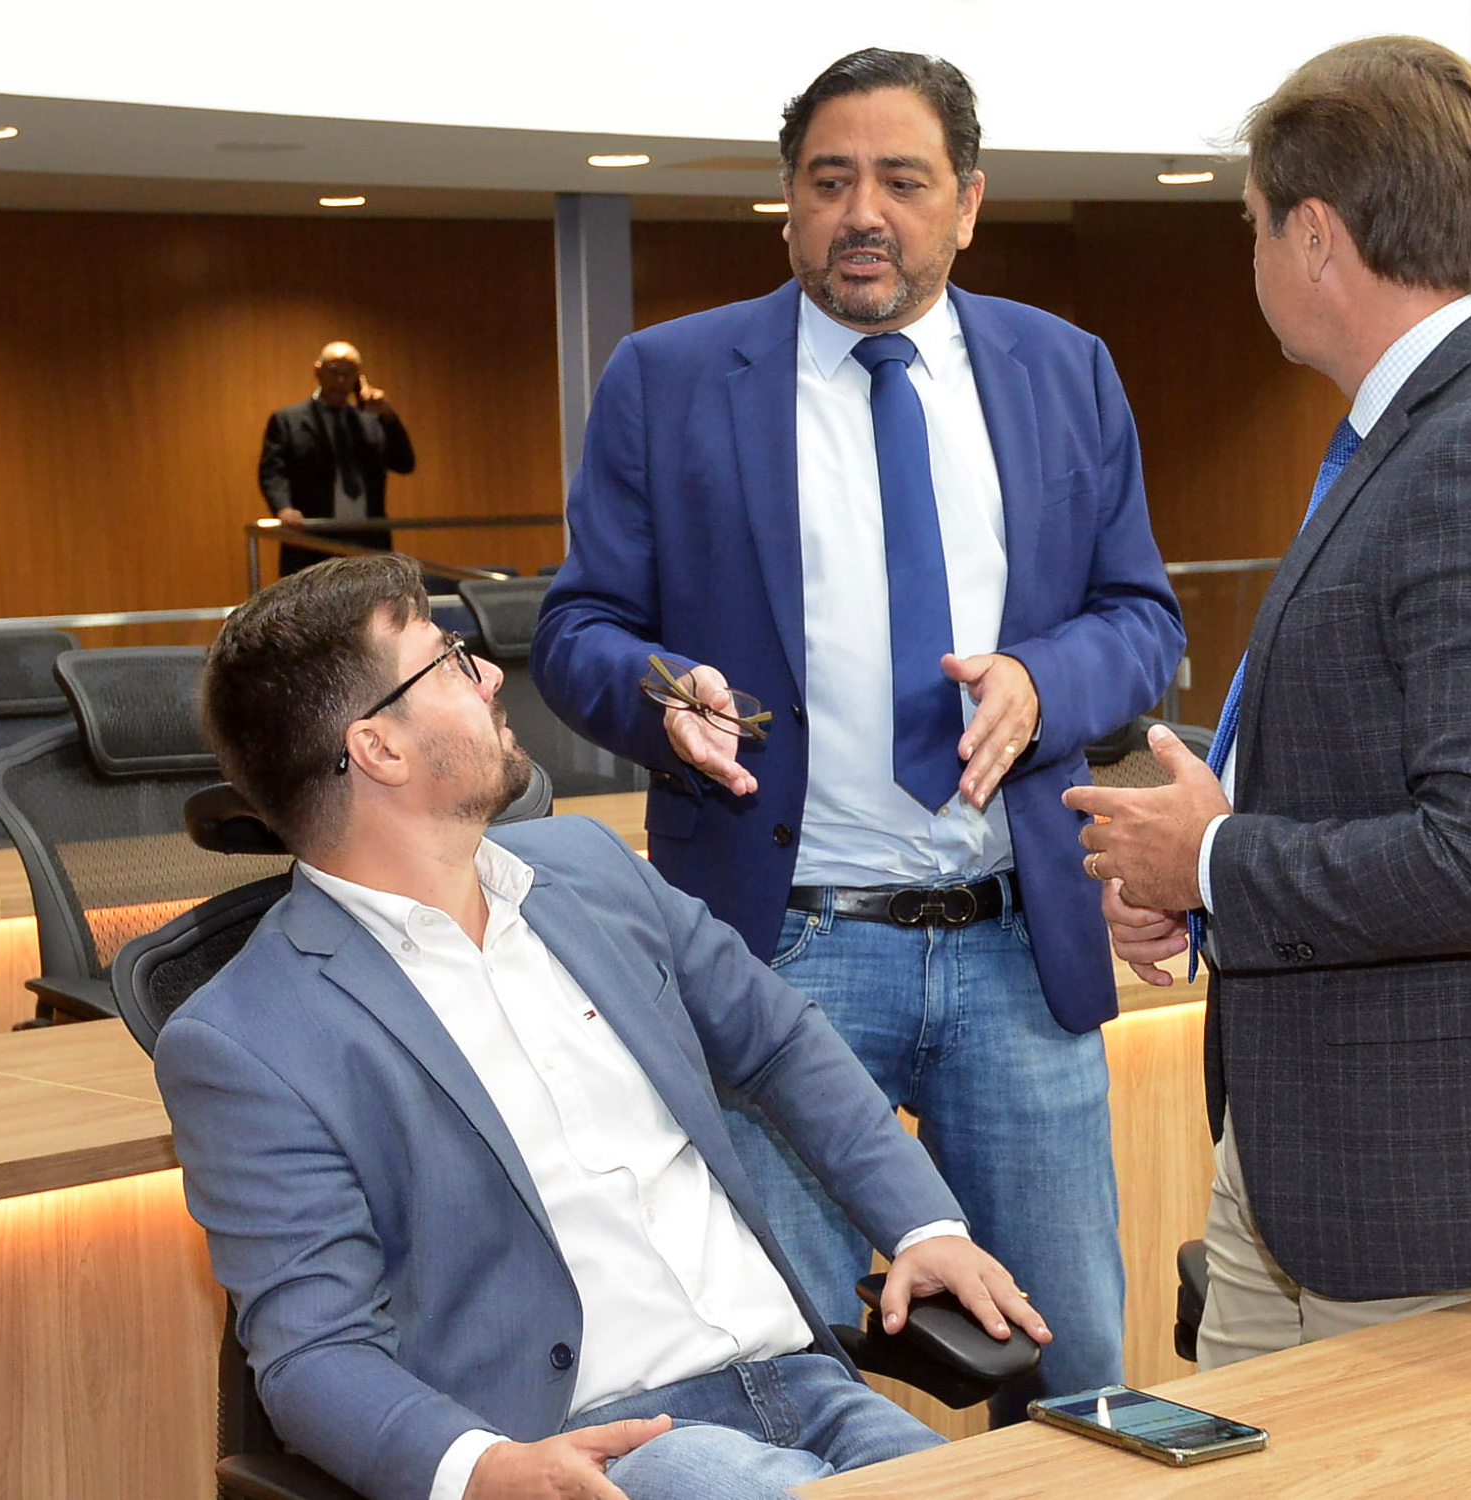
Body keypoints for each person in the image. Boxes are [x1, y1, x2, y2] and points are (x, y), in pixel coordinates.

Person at [531, 48, 1182, 1420]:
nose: (862, 214)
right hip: (784, 952)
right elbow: (576, 628)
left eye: (902, 181)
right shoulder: (667, 378)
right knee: (790, 1380)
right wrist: (659, 693)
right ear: (787, 202)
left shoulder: (1063, 371)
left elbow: (1139, 618)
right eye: (829, 182)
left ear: (968, 203)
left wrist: (1042, 681)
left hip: (1019, 946)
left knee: (1074, 1369)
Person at [159, 554, 1049, 1500]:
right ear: (378, 748)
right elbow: (315, 1355)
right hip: (597, 1447)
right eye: (450, 660)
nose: (490, 674)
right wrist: (485, 1469)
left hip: (808, 1385)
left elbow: (780, 1042)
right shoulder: (245, 1039)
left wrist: (923, 1226)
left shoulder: (587, 865)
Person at [1066, 36, 1471, 1369]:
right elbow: (1371, 761)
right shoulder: (1419, 431)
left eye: (1254, 227)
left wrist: (1213, 859)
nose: (1253, 256)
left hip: (1432, 1186)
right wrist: (1203, 875)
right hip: (1302, 1160)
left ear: (1315, 235)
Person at [259, 340, 417, 576]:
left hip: (367, 539)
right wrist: (283, 508)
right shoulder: (288, 420)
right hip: (312, 539)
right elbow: (272, 472)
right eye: (334, 371)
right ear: (318, 371)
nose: (341, 380)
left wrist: (387, 416)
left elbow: (404, 463)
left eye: (348, 373)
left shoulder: (370, 421)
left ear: (358, 377)